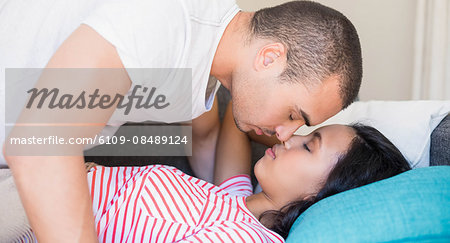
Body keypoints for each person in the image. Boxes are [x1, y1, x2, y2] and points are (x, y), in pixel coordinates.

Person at [0, 0, 362, 241]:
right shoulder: (162, 15)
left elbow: (205, 141)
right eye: (293, 114)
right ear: (270, 58)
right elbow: (40, 145)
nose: (285, 133)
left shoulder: (207, 63)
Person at [78, 104, 410, 242]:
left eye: (309, 146)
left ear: (322, 197)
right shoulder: (237, 200)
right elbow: (237, 123)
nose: (289, 138)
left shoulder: (246, 237)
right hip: (55, 185)